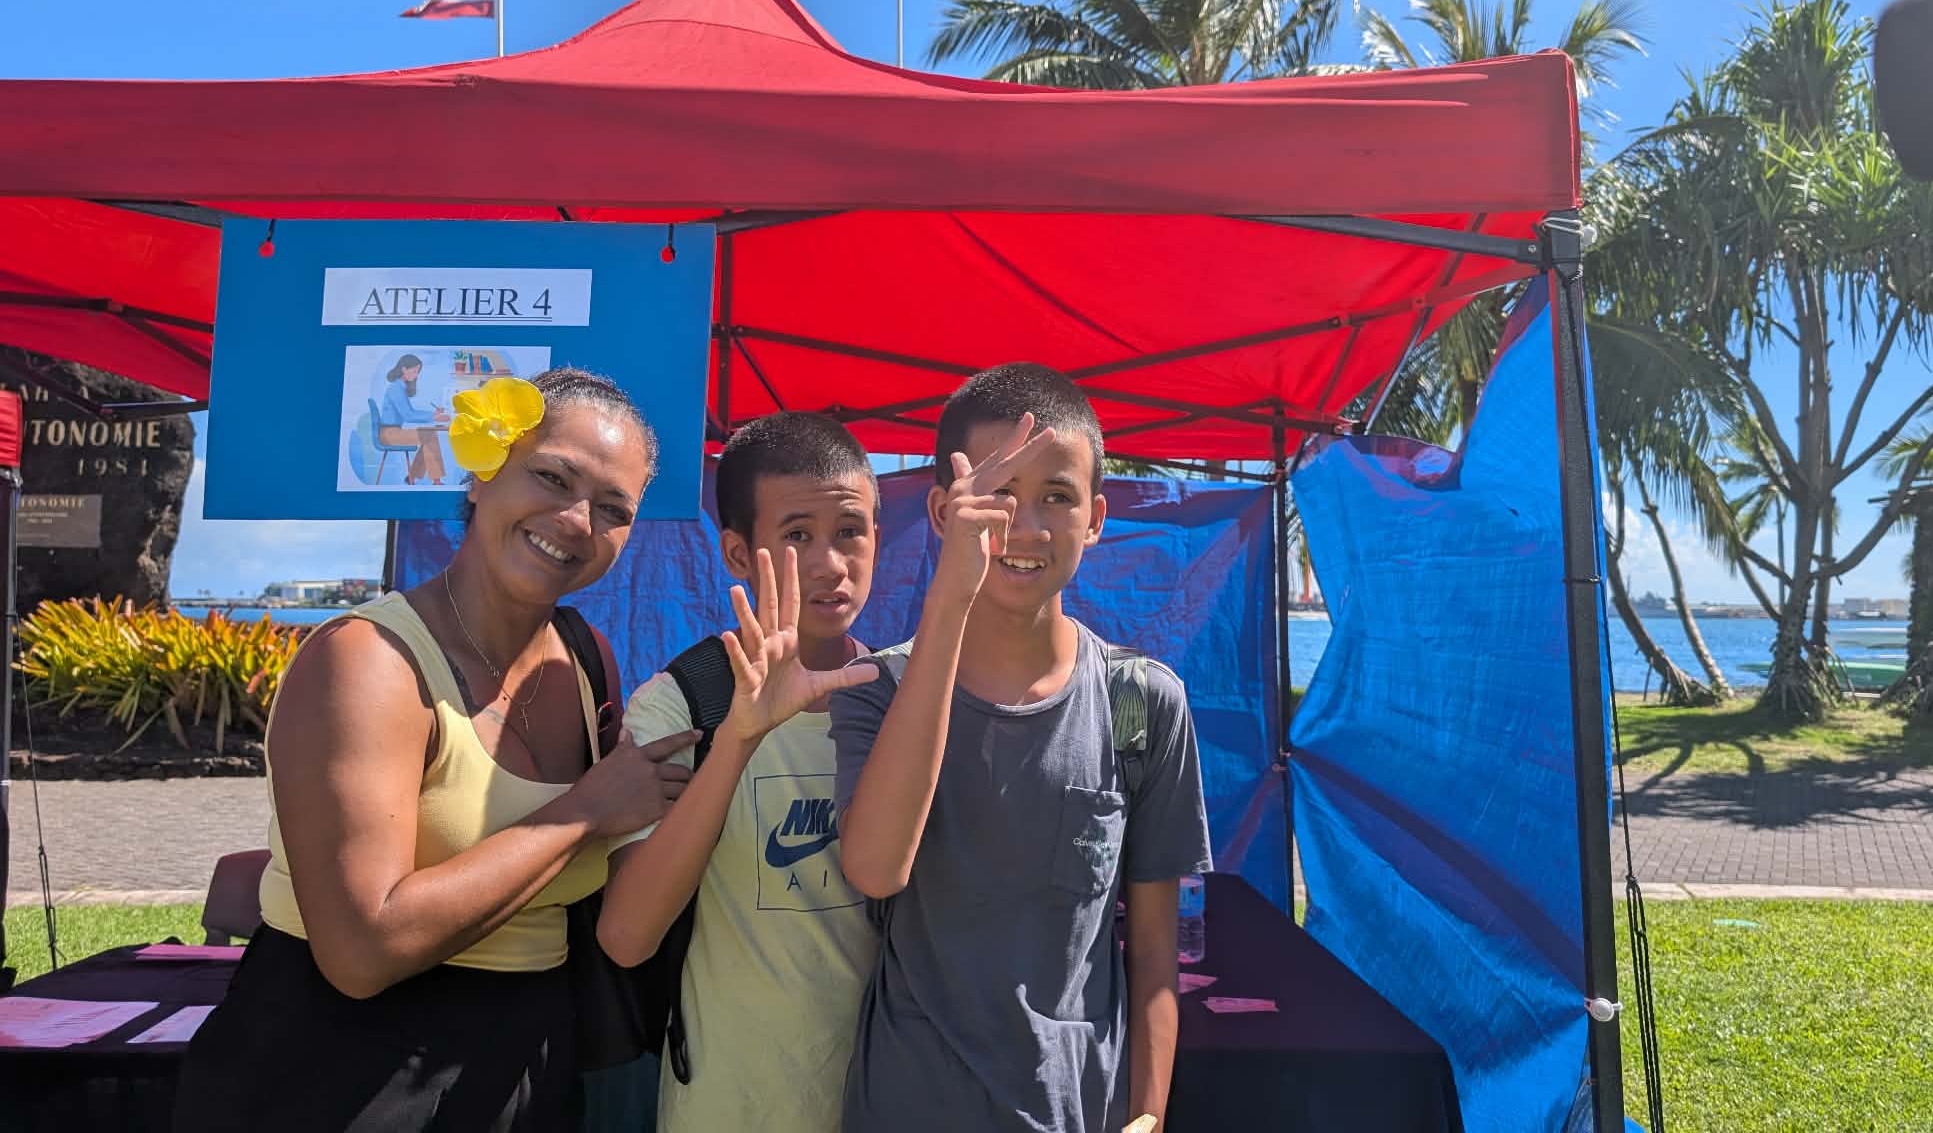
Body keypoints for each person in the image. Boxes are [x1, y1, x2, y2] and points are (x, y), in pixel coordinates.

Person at [175, 368, 693, 1133]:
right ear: (481, 476)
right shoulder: (368, 660)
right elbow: (360, 953)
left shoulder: (587, 661)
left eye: (614, 509)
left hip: (529, 1065)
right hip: (341, 1074)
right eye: (553, 478)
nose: (578, 521)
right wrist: (582, 813)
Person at [833, 363, 1213, 1133]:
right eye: (997, 493)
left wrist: (1148, 1115)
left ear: (1096, 517)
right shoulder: (878, 688)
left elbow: (1152, 953)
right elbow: (875, 868)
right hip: (909, 1107)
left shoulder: (1142, 703)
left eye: (1057, 497)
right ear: (942, 510)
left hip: (1077, 1110)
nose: (1026, 526)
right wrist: (949, 599)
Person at [598, 412, 882, 1132]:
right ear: (736, 553)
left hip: (887, 1099)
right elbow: (627, 935)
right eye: (797, 535)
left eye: (851, 530)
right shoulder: (682, 704)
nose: (830, 563)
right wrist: (739, 739)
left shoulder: (904, 700)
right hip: (727, 1105)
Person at [381, 352, 450, 485]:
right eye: (414, 371)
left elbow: (410, 412)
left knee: (428, 436)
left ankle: (412, 477)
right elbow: (408, 415)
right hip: (389, 434)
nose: (416, 375)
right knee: (429, 436)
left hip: (392, 431)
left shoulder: (399, 387)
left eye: (417, 372)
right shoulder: (395, 388)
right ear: (404, 369)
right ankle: (436, 482)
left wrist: (433, 415)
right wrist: (434, 417)